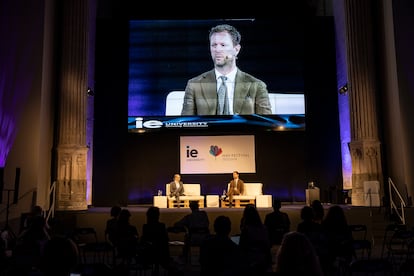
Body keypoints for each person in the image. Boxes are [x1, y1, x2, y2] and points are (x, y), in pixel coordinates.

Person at [181, 24, 272, 116]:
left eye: (223, 45)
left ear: (236, 49)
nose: (217, 49)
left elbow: (266, 125)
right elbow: (185, 124)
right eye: (214, 45)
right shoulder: (194, 85)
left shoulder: (257, 85)